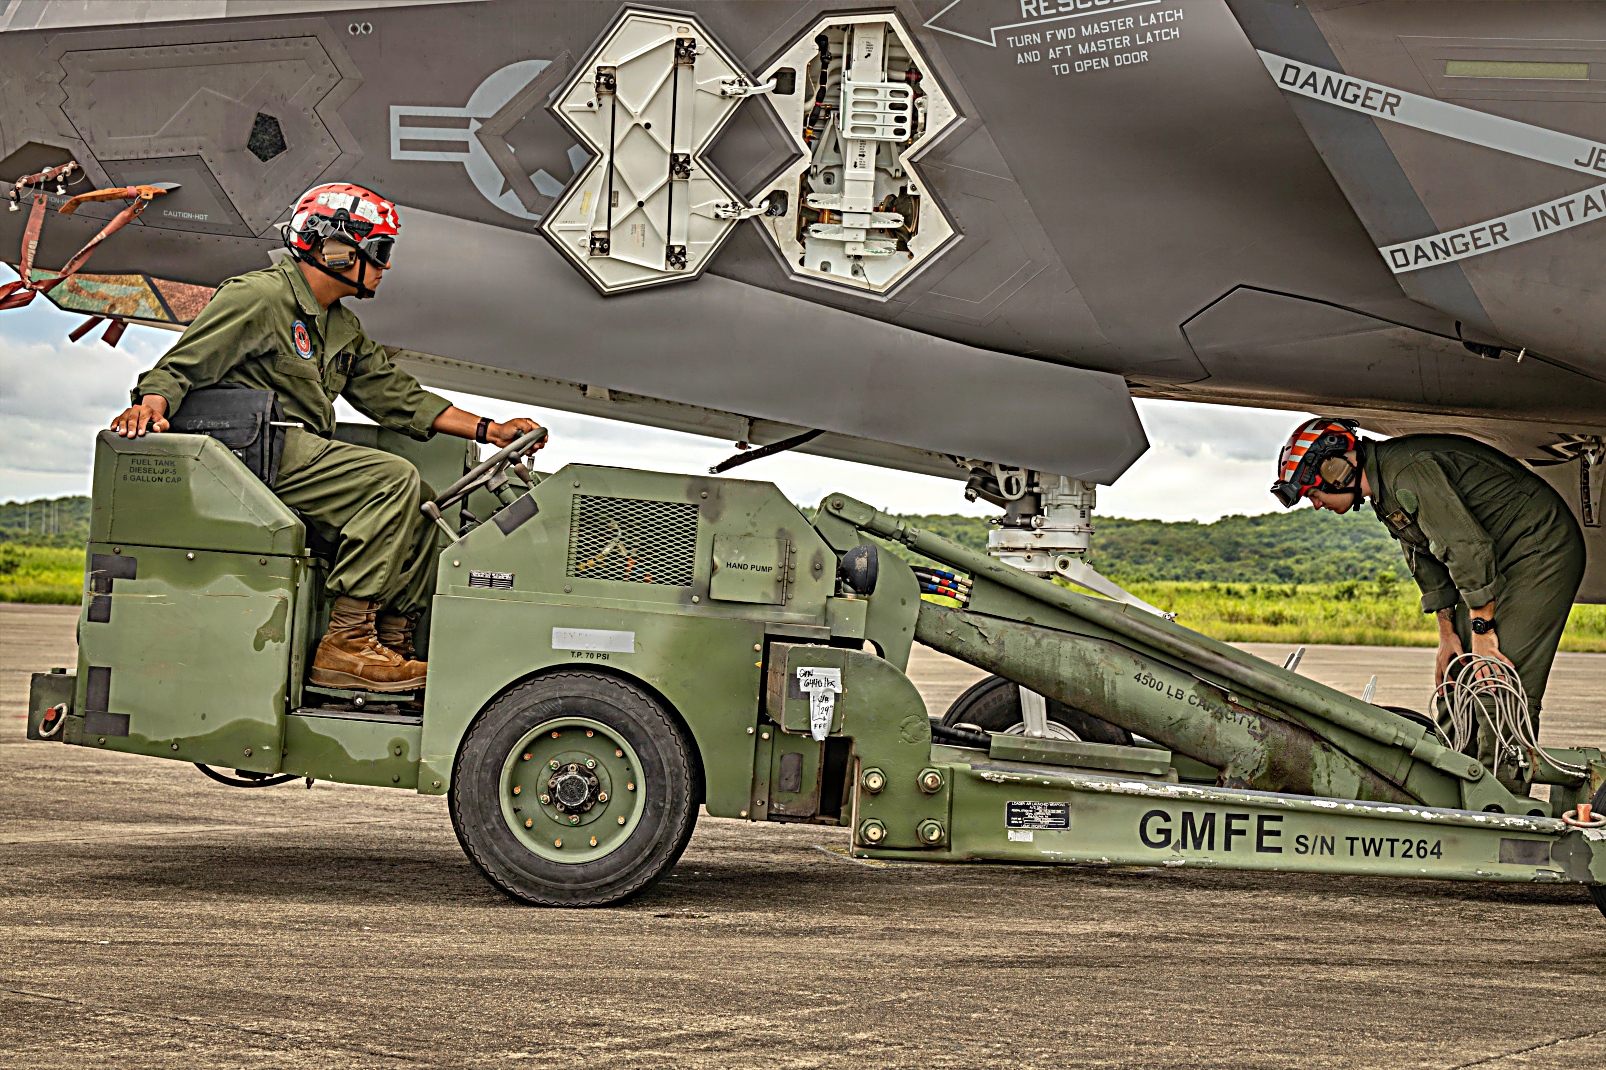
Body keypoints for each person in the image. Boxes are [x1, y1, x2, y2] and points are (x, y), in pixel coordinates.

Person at [109, 182, 547, 693]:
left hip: (296, 453)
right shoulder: (259, 296)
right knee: (391, 480)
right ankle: (346, 643)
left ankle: (390, 642)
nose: (385, 265)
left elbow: (397, 396)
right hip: (252, 455)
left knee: (425, 504)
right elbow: (179, 368)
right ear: (335, 249)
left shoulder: (342, 327)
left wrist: (492, 430)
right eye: (378, 250)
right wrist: (150, 407)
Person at [1272, 418, 1586, 787]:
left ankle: (1498, 806)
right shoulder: (1385, 491)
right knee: (1455, 682)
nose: (1315, 504)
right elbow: (1428, 561)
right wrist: (1448, 634)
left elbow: (1465, 549)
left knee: (1494, 684)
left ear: (1336, 471)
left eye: (1313, 493)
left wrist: (1482, 630)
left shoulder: (1406, 472)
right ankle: (1451, 795)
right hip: (1492, 561)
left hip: (1538, 548)